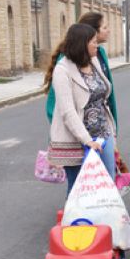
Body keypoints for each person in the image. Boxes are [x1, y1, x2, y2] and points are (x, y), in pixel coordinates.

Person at [45, 23, 116, 194]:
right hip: (77, 140)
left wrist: (111, 131)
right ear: (82, 44)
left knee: (107, 186)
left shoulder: (94, 61)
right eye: (93, 41)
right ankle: (78, 221)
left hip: (103, 135)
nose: (96, 44)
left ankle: (105, 220)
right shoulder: (63, 70)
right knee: (79, 190)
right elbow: (67, 112)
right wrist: (86, 140)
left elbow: (103, 98)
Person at [46, 11, 118, 127]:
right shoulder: (67, 60)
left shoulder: (100, 53)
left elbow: (107, 96)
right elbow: (55, 105)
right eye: (105, 27)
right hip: (77, 134)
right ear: (92, 32)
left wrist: (113, 128)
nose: (108, 30)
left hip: (101, 129)